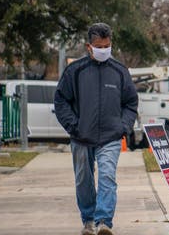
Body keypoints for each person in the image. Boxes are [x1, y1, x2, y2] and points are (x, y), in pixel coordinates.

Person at [54, 22, 138, 235]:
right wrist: (74, 126)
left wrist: (123, 127)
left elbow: (131, 103)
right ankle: (89, 220)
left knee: (107, 176)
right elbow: (61, 100)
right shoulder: (75, 71)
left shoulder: (119, 71)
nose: (104, 50)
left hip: (110, 136)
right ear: (88, 46)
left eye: (107, 46)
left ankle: (104, 222)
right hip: (81, 136)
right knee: (84, 179)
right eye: (99, 47)